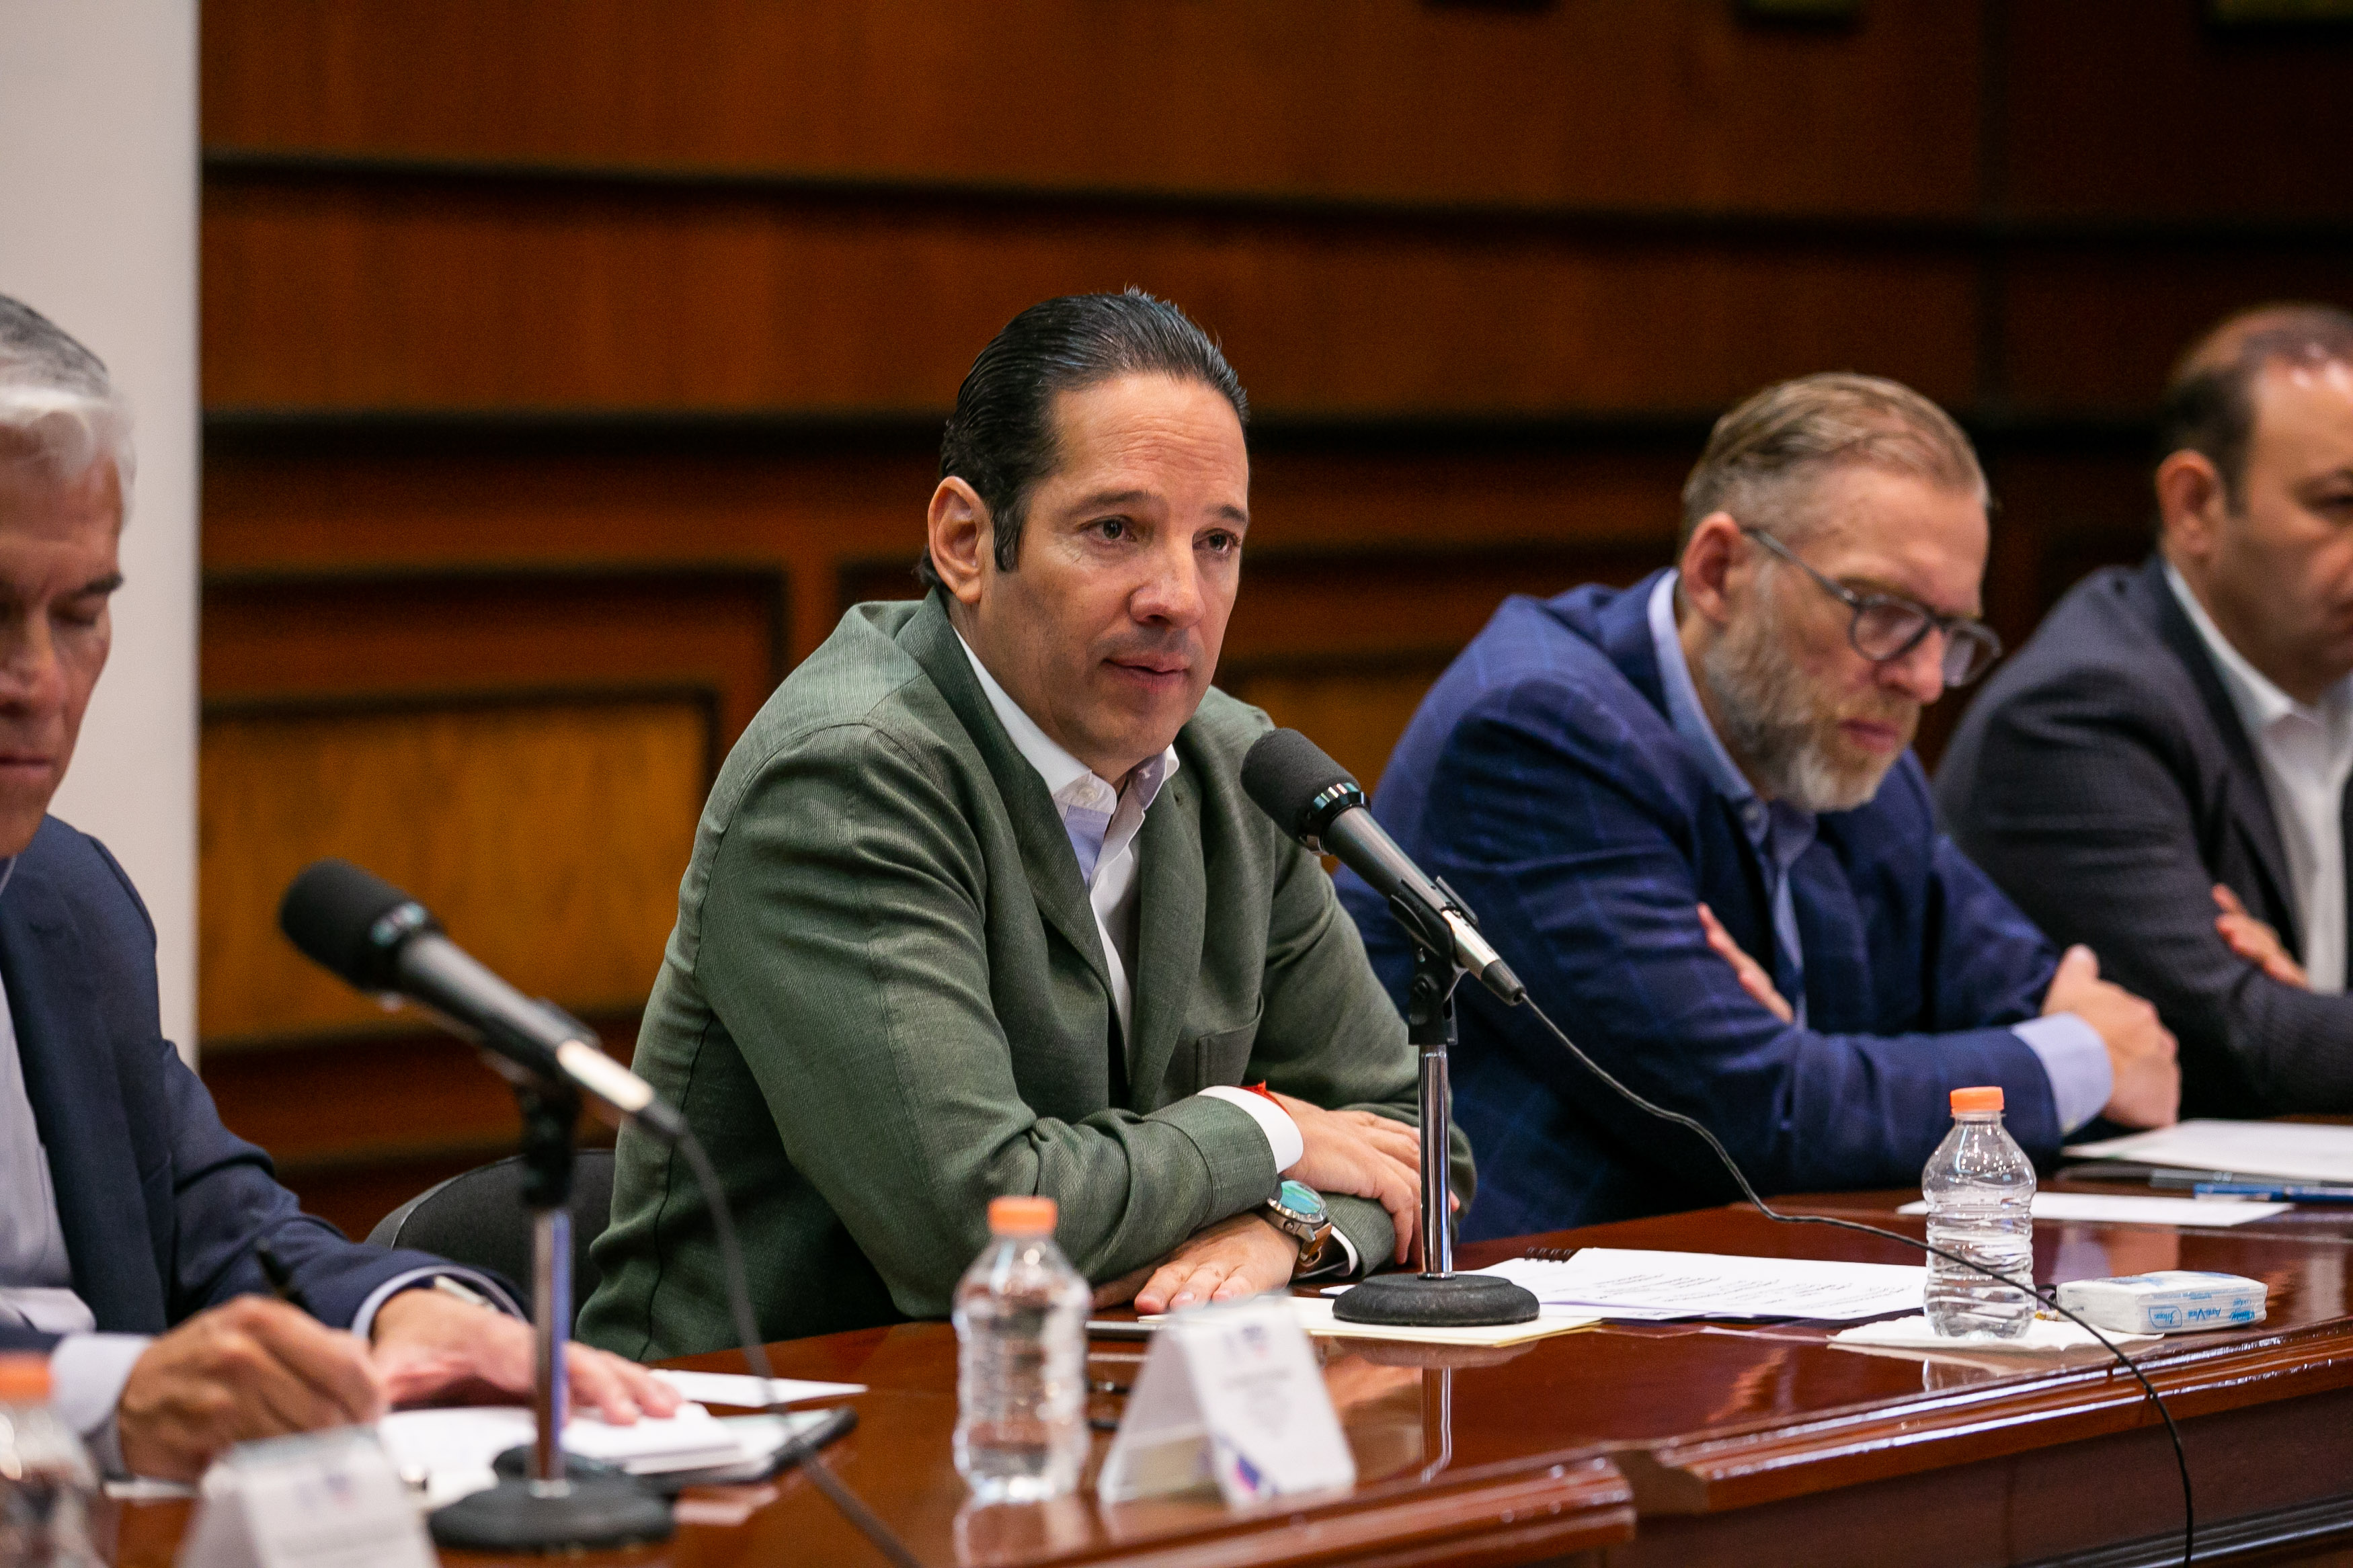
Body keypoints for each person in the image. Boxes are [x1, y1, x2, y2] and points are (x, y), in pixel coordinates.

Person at [584, 291, 1466, 1357]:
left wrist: (1287, 1227)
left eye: (1217, 541)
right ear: (965, 541)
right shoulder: (846, 780)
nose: (1179, 596)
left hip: (1108, 1403)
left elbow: (1418, 1145)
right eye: (1115, 530)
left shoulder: (1238, 770)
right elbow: (971, 1230)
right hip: (787, 1421)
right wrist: (1269, 1128)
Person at [0, 294, 674, 1481]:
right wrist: (103, 1398)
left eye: (82, 613)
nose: (40, 682)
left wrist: (400, 1311)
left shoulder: (68, 902)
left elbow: (222, 1228)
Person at [1339, 373, 2180, 1239]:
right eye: (1883, 611)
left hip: (1775, 1277)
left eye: (1949, 630)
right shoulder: (1536, 731)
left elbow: (2037, 1000)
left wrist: (1826, 1071)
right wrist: (2078, 1060)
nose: (1925, 679)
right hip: (1540, 1293)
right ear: (1717, 570)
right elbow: (1762, 1117)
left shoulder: (1843, 741)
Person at [1938, 304, 2353, 1117]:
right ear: (2194, 505)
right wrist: (2291, 1018)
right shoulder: (2080, 712)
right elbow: (2249, 1043)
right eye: (2338, 501)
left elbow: (2297, 1035)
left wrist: (2313, 1015)